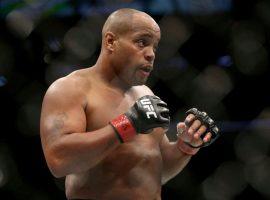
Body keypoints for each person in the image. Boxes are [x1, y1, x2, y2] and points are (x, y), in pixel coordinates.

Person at [40, 8, 220, 200]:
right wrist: (127, 124)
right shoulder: (70, 88)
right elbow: (59, 160)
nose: (151, 54)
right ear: (111, 41)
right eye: (142, 42)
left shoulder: (145, 94)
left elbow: (156, 172)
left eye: (154, 47)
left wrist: (185, 146)